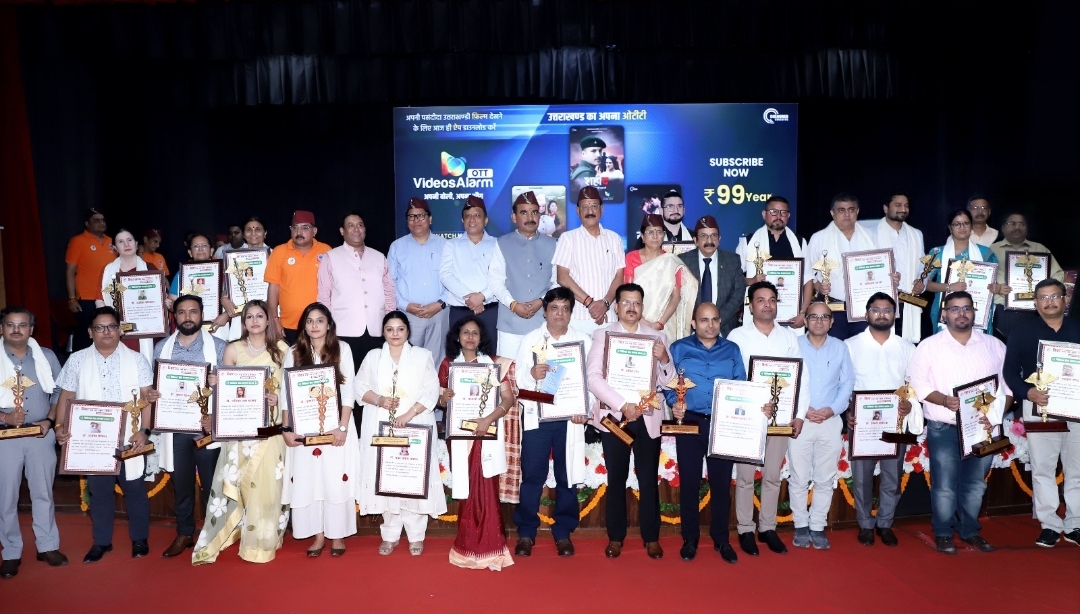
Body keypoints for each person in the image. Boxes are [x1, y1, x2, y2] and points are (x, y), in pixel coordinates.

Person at [908, 291, 1013, 554]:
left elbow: (1008, 387)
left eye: (966, 308)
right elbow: (918, 384)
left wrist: (995, 415)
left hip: (983, 428)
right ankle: (943, 533)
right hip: (944, 427)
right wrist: (944, 400)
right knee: (944, 485)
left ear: (974, 312)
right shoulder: (929, 346)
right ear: (944, 314)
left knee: (976, 485)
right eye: (954, 309)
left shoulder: (994, 345)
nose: (961, 313)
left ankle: (969, 531)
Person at [193, 300, 290, 564]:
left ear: (268, 320)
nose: (255, 321)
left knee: (269, 485)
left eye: (260, 316)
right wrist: (215, 383)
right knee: (245, 484)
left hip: (270, 428)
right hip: (240, 428)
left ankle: (265, 541)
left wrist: (277, 397)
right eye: (249, 317)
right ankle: (241, 532)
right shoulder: (233, 349)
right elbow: (226, 390)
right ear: (243, 321)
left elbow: (289, 389)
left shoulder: (282, 349)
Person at [55, 307, 154, 563]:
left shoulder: (137, 360)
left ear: (120, 330)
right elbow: (67, 396)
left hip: (130, 438)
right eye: (100, 327)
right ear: (90, 332)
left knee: (134, 489)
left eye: (111, 326)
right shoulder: (77, 360)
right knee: (99, 493)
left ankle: (140, 539)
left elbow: (147, 399)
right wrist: (59, 426)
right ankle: (101, 542)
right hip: (93, 440)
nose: (106, 332)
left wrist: (144, 431)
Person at [587, 283, 675, 559]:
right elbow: (593, 379)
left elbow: (669, 382)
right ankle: (615, 538)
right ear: (616, 306)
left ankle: (652, 538)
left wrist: (664, 360)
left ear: (642, 307)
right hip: (616, 418)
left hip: (647, 418)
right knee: (616, 479)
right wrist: (623, 405)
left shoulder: (657, 337)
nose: (632, 308)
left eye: (637, 303)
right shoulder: (603, 335)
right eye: (626, 302)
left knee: (648, 480)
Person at [727, 281, 808, 556]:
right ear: (750, 306)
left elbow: (801, 377)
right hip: (749, 418)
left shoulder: (789, 337)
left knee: (772, 476)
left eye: (772, 300)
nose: (767, 305)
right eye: (761, 300)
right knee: (745, 477)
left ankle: (768, 528)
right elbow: (733, 378)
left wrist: (798, 414)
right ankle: (745, 529)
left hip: (781, 418)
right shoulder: (737, 336)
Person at [355, 311, 445, 555]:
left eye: (400, 329)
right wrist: (380, 400)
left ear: (408, 331)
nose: (395, 334)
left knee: (412, 479)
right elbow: (359, 387)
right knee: (387, 479)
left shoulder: (422, 356)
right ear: (383, 332)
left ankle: (416, 536)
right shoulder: (373, 356)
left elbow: (431, 390)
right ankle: (390, 535)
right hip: (381, 425)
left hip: (414, 424)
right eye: (390, 329)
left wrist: (409, 414)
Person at [513, 287, 592, 557]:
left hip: (570, 419)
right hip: (538, 417)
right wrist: (531, 374)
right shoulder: (531, 340)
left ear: (571, 312)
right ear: (545, 312)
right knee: (532, 476)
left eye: (565, 308)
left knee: (566, 476)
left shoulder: (582, 340)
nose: (560, 313)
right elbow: (519, 383)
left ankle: (563, 533)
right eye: (554, 308)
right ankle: (526, 533)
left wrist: (585, 409)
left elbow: (591, 381)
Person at [664, 302, 745, 563]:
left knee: (721, 484)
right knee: (689, 482)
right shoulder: (679, 348)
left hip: (723, 423)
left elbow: (741, 385)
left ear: (720, 322)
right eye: (704, 320)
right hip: (689, 422)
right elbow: (667, 383)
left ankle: (721, 539)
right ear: (693, 323)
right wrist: (673, 403)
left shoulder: (732, 350)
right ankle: (690, 539)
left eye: (715, 320)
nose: (710, 325)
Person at [1002, 279, 1080, 548]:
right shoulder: (1021, 333)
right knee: (1042, 468)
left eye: (1055, 296)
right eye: (1043, 298)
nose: (1049, 302)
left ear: (1065, 299)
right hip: (1039, 406)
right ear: (1035, 303)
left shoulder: (1078, 328)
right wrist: (1027, 392)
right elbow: (1010, 373)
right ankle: (1049, 525)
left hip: (1076, 408)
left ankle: (1075, 524)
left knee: (1077, 469)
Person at [436, 317, 517, 570]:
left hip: (486, 433)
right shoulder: (449, 365)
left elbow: (508, 398)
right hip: (460, 436)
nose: (470, 337)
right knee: (468, 491)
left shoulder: (492, 365)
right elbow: (439, 400)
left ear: (481, 338)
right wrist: (445, 398)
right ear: (457, 337)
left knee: (486, 490)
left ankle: (493, 547)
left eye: (475, 333)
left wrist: (488, 420)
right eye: (465, 332)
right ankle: (467, 546)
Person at [149, 295, 227, 559]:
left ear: (202, 314)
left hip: (206, 429)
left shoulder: (219, 347)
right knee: (181, 485)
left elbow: (231, 388)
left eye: (193, 311)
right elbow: (155, 385)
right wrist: (153, 395)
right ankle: (184, 533)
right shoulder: (162, 348)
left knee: (211, 485)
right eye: (182, 312)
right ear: (175, 316)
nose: (187, 317)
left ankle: (212, 535)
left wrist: (219, 384)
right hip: (175, 428)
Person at [281, 303, 359, 557]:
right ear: (303, 326)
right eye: (309, 321)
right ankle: (317, 535)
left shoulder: (342, 349)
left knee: (335, 478)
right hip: (303, 427)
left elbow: (349, 391)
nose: (314, 325)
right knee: (309, 479)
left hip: (336, 425)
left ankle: (337, 535)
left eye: (320, 320)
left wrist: (342, 427)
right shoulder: (293, 352)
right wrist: (286, 429)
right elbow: (285, 395)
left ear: (329, 324)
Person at [844, 293, 920, 546]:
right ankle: (865, 524)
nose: (881, 315)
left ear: (895, 315)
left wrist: (909, 404)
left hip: (896, 421)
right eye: (876, 310)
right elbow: (843, 384)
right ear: (867, 313)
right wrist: (848, 411)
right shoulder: (850, 345)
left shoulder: (907, 348)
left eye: (887, 310)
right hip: (861, 422)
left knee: (892, 476)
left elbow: (914, 384)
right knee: (862, 477)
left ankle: (885, 523)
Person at [0, 307, 67, 578]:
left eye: (22, 325)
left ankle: (47, 546)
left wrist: (49, 421)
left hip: (41, 434)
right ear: (2, 328)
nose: (17, 330)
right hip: (5, 437)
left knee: (43, 493)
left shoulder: (46, 356)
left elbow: (60, 391)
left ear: (31, 328)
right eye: (10, 325)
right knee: (6, 497)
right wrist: (4, 416)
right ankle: (11, 551)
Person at [790, 302, 854, 550]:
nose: (819, 321)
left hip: (830, 421)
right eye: (814, 316)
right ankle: (800, 525)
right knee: (798, 477)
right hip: (801, 420)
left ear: (832, 321)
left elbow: (847, 383)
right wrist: (803, 409)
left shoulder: (840, 348)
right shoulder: (793, 345)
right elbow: (787, 380)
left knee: (825, 478)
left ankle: (817, 526)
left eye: (824, 317)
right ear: (805, 320)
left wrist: (832, 409)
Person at [318, 212, 396, 371]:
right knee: (345, 377)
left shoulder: (379, 257)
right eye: (351, 225)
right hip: (343, 329)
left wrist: (390, 323)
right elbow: (324, 295)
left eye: (360, 225)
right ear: (342, 231)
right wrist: (325, 327)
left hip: (377, 329)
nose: (356, 229)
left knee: (375, 376)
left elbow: (389, 293)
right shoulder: (330, 257)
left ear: (365, 229)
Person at [487, 191, 558, 360]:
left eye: (534, 212)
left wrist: (541, 301)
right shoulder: (501, 243)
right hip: (509, 326)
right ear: (514, 217)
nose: (530, 217)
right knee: (507, 373)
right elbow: (495, 282)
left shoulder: (554, 244)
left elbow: (557, 282)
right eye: (524, 212)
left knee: (542, 373)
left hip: (542, 325)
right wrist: (513, 305)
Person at [806, 193, 884, 340]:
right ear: (832, 213)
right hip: (832, 306)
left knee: (862, 348)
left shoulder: (871, 236)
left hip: (863, 307)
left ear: (857, 211)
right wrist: (819, 286)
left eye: (851, 210)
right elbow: (808, 274)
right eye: (841, 210)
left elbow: (881, 267)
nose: (847, 214)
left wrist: (889, 276)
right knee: (833, 348)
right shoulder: (818, 238)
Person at [553, 186, 625, 337]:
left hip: (608, 317)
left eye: (594, 206)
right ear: (577, 211)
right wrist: (590, 303)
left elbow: (619, 276)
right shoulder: (567, 238)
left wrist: (605, 304)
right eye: (585, 207)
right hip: (577, 319)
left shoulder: (614, 239)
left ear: (601, 209)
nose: (589, 211)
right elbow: (562, 277)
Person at [388, 197, 450, 365]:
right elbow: (390, 283)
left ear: (430, 219)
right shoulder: (397, 247)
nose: (416, 220)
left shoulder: (446, 246)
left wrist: (440, 304)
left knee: (436, 363)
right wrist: (405, 305)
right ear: (407, 221)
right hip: (409, 315)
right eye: (411, 216)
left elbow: (452, 280)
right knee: (408, 362)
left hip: (439, 314)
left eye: (421, 216)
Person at [860, 192, 926, 342]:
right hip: (881, 303)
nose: (903, 209)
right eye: (898, 205)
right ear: (885, 208)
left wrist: (922, 283)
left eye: (906, 205)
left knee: (906, 348)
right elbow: (865, 267)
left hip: (908, 303)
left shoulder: (916, 234)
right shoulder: (870, 233)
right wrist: (885, 277)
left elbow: (922, 267)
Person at [925, 209, 1005, 334]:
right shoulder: (937, 253)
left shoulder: (985, 253)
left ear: (971, 226)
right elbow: (925, 284)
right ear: (950, 228)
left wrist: (996, 288)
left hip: (978, 310)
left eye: (966, 223)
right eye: (957, 224)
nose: (962, 227)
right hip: (945, 309)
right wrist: (949, 287)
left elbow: (991, 283)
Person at [989, 213, 1065, 340]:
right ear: (1003, 228)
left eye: (1021, 224)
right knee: (1003, 348)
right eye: (1012, 224)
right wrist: (996, 288)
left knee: (1032, 347)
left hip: (1036, 311)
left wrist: (1045, 289)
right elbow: (984, 276)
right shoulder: (991, 250)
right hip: (1003, 312)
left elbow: (1058, 274)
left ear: (1027, 228)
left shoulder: (1039, 249)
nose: (1017, 227)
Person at [625, 214, 698, 341]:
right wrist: (641, 321)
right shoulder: (631, 258)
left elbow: (676, 297)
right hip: (635, 321)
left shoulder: (671, 261)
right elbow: (627, 293)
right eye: (650, 232)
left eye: (659, 232)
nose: (655, 236)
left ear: (664, 236)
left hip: (663, 324)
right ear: (642, 236)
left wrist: (659, 324)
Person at [265, 212, 332, 345]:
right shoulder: (279, 252)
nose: (299, 232)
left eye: (305, 227)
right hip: (288, 325)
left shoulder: (326, 251)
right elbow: (273, 288)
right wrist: (274, 320)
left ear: (314, 231)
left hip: (319, 325)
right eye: (295, 227)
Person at [440, 196, 499, 345]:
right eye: (468, 216)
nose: (472, 219)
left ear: (486, 220)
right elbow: (446, 275)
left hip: (490, 312)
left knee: (489, 355)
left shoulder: (497, 245)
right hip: (459, 311)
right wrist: (471, 299)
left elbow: (501, 276)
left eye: (477, 215)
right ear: (462, 220)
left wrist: (482, 296)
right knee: (458, 355)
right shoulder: (451, 245)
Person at [679, 215, 744, 337]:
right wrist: (698, 321)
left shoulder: (732, 260)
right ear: (695, 240)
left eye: (713, 235)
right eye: (703, 236)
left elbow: (738, 294)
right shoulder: (683, 261)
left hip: (724, 328)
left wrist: (716, 320)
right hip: (691, 329)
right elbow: (679, 295)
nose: (709, 241)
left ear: (719, 239)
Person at [99, 228, 158, 360]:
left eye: (129, 240)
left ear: (136, 244)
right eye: (121, 241)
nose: (126, 244)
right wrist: (111, 324)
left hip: (143, 329)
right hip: (116, 330)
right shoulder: (108, 271)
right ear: (115, 248)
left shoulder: (150, 268)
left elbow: (158, 299)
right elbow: (100, 300)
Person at [65, 208, 114, 351]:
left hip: (109, 296)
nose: (101, 223)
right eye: (96, 220)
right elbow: (70, 271)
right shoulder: (78, 241)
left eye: (103, 220)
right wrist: (72, 299)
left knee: (108, 334)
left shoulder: (112, 241)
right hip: (87, 299)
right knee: (87, 337)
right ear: (87, 224)